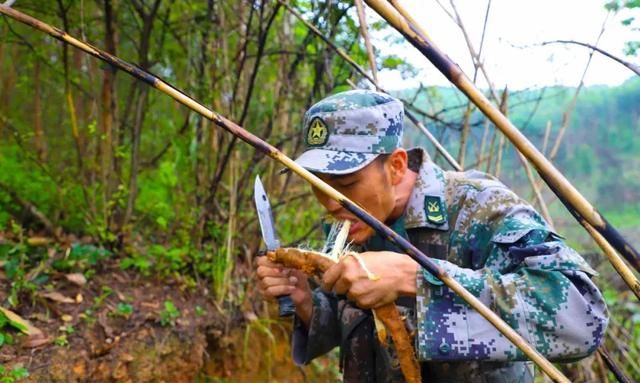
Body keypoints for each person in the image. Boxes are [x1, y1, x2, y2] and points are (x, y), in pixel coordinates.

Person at [255, 90, 608, 382]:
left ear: (395, 166)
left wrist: (417, 278)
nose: (331, 203)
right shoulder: (352, 222)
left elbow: (582, 317)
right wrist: (306, 303)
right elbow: (357, 326)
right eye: (318, 184)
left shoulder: (478, 207)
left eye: (346, 184)